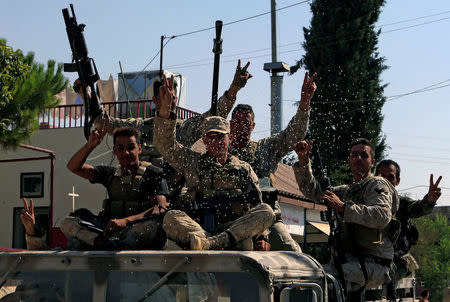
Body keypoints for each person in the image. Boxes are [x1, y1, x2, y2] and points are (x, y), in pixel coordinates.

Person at [76, 60, 252, 203]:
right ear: (154, 100)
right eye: (165, 96)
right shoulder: (139, 126)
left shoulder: (185, 128)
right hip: (139, 194)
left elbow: (215, 117)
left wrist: (234, 88)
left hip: (173, 196)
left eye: (173, 97)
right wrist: (87, 95)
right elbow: (104, 122)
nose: (171, 101)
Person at [185, 71, 317, 252]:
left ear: (253, 126)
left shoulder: (266, 149)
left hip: (265, 220)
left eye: (246, 123)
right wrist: (233, 89)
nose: (241, 128)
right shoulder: (218, 150)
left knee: (291, 251)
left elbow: (293, 135)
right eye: (237, 122)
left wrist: (304, 102)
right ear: (230, 125)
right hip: (227, 218)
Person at [153, 75, 275, 250]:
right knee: (170, 217)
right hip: (199, 229)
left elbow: (256, 203)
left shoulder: (243, 169)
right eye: (211, 137)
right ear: (204, 140)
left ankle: (212, 244)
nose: (216, 141)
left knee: (266, 212)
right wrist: (165, 112)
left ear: (230, 138)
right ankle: (208, 241)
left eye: (220, 136)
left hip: (232, 229)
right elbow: (166, 145)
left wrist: (263, 237)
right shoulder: (192, 161)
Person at [293, 138, 400, 295]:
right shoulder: (347, 191)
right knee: (302, 276)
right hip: (350, 263)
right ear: (348, 160)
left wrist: (343, 208)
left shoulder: (377, 184)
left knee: (318, 278)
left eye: (364, 155)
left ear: (372, 162)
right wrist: (303, 162)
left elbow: (382, 216)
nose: (358, 158)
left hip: (374, 264)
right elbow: (313, 192)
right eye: (354, 155)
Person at [61, 123, 169, 250]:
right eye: (121, 148)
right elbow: (73, 167)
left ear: (139, 149)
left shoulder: (153, 174)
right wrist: (90, 145)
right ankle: (99, 241)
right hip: (110, 232)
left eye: (130, 147)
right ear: (115, 151)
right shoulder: (110, 174)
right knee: (68, 222)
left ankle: (114, 242)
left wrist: (125, 221)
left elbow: (160, 209)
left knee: (153, 225)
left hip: (137, 230)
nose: (126, 152)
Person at [375, 159, 442, 298]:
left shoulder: (401, 204)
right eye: (381, 177)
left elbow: (417, 208)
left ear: (397, 181)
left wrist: (429, 200)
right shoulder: (367, 202)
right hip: (371, 258)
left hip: (396, 260)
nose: (385, 181)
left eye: (390, 177)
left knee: (389, 273)